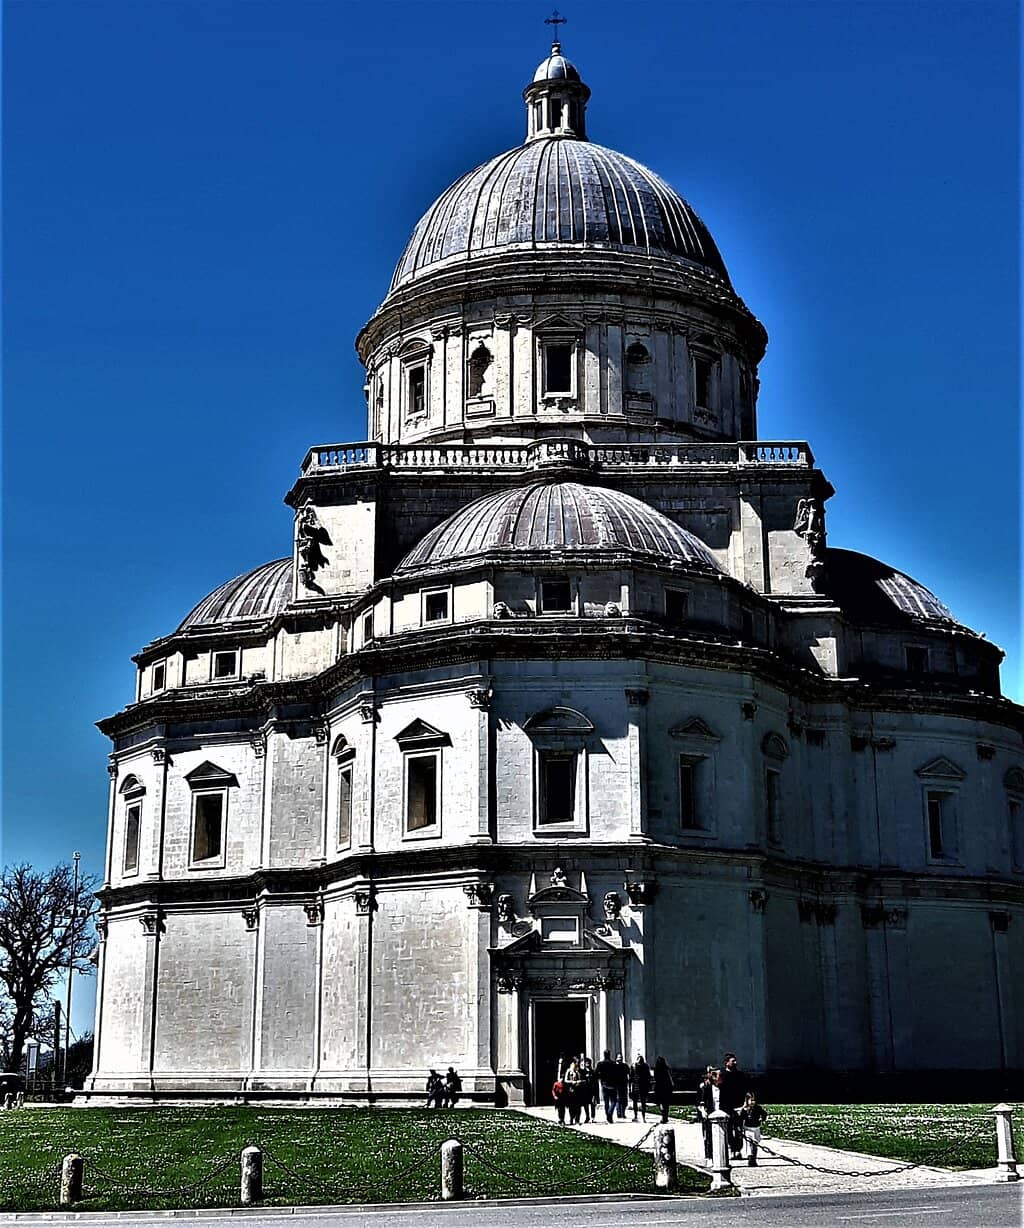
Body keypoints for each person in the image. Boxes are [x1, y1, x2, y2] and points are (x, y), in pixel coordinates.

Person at [718, 1052, 745, 1159]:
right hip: (726, 1107)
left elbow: (744, 1090)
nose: (735, 1063)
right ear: (726, 1063)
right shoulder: (722, 1075)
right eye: (733, 1061)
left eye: (735, 1061)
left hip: (738, 1106)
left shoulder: (740, 1075)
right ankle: (731, 1148)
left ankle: (738, 1150)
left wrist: (743, 1105)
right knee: (728, 1130)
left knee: (738, 1130)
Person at [697, 1067, 722, 1161]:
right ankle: (709, 1156)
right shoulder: (706, 1088)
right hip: (710, 1115)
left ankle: (721, 1156)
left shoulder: (723, 1088)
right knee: (708, 1136)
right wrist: (703, 1111)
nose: (722, 1077)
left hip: (721, 1115)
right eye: (720, 1075)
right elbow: (701, 1101)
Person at [739, 1090, 767, 1166]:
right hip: (748, 1128)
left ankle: (754, 1157)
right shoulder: (745, 1109)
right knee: (749, 1143)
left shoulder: (758, 1108)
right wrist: (740, 1127)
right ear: (747, 1100)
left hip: (756, 1127)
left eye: (754, 1100)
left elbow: (764, 1114)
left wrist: (762, 1118)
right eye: (751, 1100)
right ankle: (750, 1157)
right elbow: (741, 1118)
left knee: (755, 1143)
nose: (752, 1102)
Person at [594, 1049, 617, 1123]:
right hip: (613, 1084)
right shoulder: (613, 1063)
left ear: (604, 1055)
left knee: (606, 1102)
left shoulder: (600, 1064)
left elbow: (596, 1074)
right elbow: (617, 1074)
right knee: (613, 1101)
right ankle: (610, 1113)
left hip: (604, 1084)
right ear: (609, 1055)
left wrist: (600, 1078)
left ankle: (608, 1115)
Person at [652, 1055, 673, 1124]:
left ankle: (664, 1116)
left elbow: (656, 1079)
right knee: (666, 1103)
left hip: (660, 1088)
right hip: (667, 1087)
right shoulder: (667, 1069)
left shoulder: (656, 1069)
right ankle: (665, 1117)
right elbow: (670, 1078)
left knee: (661, 1103)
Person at [629, 1054, 650, 1122]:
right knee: (642, 1102)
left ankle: (636, 1116)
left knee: (636, 1102)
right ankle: (643, 1117)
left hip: (636, 1086)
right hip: (642, 1087)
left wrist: (629, 1088)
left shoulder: (633, 1066)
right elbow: (648, 1077)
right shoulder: (646, 1066)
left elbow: (630, 1078)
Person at [563, 1056, 584, 1125]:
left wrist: (579, 1081)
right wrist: (572, 1082)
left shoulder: (578, 1071)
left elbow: (582, 1078)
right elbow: (565, 1080)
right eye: (575, 1063)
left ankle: (577, 1119)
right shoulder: (569, 1071)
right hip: (571, 1090)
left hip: (578, 1090)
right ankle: (571, 1118)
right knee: (571, 1106)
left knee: (578, 1106)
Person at [579, 1057, 595, 1123]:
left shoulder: (593, 1071)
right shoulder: (582, 1072)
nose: (587, 1064)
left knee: (592, 1104)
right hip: (585, 1090)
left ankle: (592, 1117)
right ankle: (587, 1116)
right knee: (585, 1104)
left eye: (589, 1063)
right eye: (586, 1063)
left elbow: (595, 1082)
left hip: (592, 1090)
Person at [613, 1053, 629, 1119]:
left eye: (621, 1057)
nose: (620, 1059)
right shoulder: (614, 1066)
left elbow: (628, 1074)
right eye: (619, 1057)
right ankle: (619, 1113)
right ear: (616, 1058)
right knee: (618, 1099)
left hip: (624, 1085)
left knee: (624, 1100)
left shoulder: (625, 1065)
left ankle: (623, 1113)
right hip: (616, 1085)